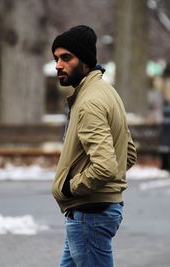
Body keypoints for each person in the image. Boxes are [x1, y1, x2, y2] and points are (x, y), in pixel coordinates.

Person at [51, 25, 137, 267]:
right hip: (90, 213)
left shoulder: (89, 102)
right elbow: (128, 154)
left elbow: (106, 166)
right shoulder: (107, 93)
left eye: (66, 58)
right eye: (56, 58)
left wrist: (70, 187)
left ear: (86, 62)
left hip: (89, 214)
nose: (58, 65)